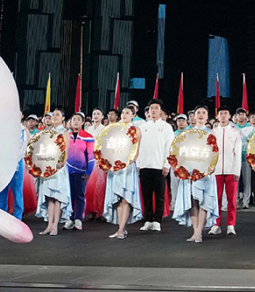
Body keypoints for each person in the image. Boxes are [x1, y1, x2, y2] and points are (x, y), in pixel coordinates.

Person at [173, 107, 219, 243]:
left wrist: (212, 166)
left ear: (207, 116)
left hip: (204, 171)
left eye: (203, 113)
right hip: (189, 170)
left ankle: (199, 231)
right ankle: (195, 231)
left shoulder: (211, 133)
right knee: (192, 200)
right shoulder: (187, 133)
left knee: (203, 200)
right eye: (198, 113)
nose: (200, 115)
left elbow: (215, 152)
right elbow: (180, 151)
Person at [103, 106, 142, 239]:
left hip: (128, 167)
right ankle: (121, 227)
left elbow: (136, 150)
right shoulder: (114, 129)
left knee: (126, 198)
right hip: (115, 166)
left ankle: (121, 228)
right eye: (123, 113)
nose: (124, 115)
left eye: (128, 113)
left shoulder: (136, 130)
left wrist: (129, 160)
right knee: (118, 198)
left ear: (133, 115)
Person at [137, 99, 174, 232]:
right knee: (146, 195)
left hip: (159, 166)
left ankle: (157, 220)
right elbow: (138, 147)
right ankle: (148, 220)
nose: (153, 111)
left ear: (160, 111)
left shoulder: (166, 127)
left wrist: (166, 165)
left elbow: (169, 147)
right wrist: (139, 163)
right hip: (145, 165)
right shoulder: (142, 127)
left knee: (159, 195)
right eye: (151, 108)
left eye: (156, 108)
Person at [34, 111, 71, 236]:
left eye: (57, 115)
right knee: (49, 196)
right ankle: (49, 224)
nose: (54, 117)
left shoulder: (64, 132)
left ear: (63, 118)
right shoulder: (47, 132)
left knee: (57, 196)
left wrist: (61, 162)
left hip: (58, 167)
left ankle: (55, 225)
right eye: (53, 115)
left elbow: (65, 150)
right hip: (47, 165)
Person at [209, 106, 244, 236]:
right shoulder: (213, 133)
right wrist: (210, 168)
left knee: (231, 200)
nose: (223, 116)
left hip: (231, 170)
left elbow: (238, 153)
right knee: (215, 199)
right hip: (216, 171)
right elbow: (210, 152)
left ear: (229, 116)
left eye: (225, 113)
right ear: (217, 116)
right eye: (221, 114)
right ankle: (215, 224)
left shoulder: (235, 132)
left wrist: (237, 171)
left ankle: (230, 224)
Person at [62, 113, 94, 231]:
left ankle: (79, 218)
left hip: (81, 171)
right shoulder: (66, 136)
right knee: (69, 195)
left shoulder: (88, 137)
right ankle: (70, 218)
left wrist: (89, 171)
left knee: (80, 195)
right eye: (74, 119)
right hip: (67, 171)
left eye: (78, 120)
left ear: (82, 122)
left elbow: (91, 156)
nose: (76, 121)